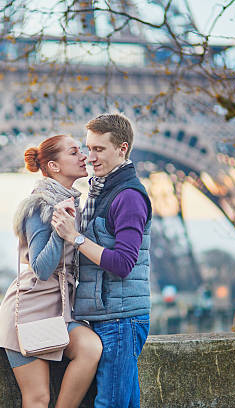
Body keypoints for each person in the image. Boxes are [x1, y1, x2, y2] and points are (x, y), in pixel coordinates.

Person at [52, 114, 152, 408]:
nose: (90, 157)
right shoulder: (99, 191)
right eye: (88, 148)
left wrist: (75, 237)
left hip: (121, 318)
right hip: (105, 315)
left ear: (122, 149)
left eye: (99, 149)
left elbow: (123, 263)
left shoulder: (129, 197)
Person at [0, 134, 103, 408]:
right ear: (54, 166)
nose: (83, 156)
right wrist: (61, 231)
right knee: (37, 398)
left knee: (91, 348)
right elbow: (41, 269)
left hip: (60, 310)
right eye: (73, 152)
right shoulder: (40, 205)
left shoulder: (74, 203)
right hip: (29, 310)